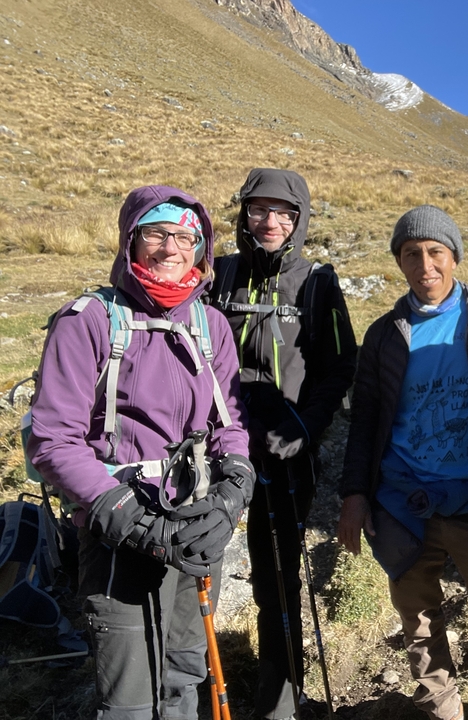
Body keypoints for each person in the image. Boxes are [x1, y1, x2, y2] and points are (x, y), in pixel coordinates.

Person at [28, 186, 253, 719]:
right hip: (119, 533)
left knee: (183, 676)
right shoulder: (87, 319)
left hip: (197, 528)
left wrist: (233, 493)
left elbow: (231, 427)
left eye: (184, 237)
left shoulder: (210, 325)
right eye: (155, 234)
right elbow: (52, 439)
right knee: (129, 699)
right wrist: (128, 515)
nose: (170, 248)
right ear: (131, 240)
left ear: (201, 247)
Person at [337, 205, 468, 720]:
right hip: (403, 502)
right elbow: (366, 420)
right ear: (399, 262)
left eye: (436, 252)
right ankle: (442, 710)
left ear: (455, 257)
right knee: (418, 623)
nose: (425, 265)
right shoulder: (384, 333)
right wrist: (354, 495)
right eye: (411, 254)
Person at [209, 168, 358, 720]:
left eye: (284, 213)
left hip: (285, 455)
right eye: (258, 210)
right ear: (243, 213)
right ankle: (194, 678)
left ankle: (280, 697)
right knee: (199, 564)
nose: (270, 222)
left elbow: (342, 366)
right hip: (215, 454)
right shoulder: (218, 275)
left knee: (277, 579)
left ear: (299, 219)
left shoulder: (317, 282)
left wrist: (304, 427)